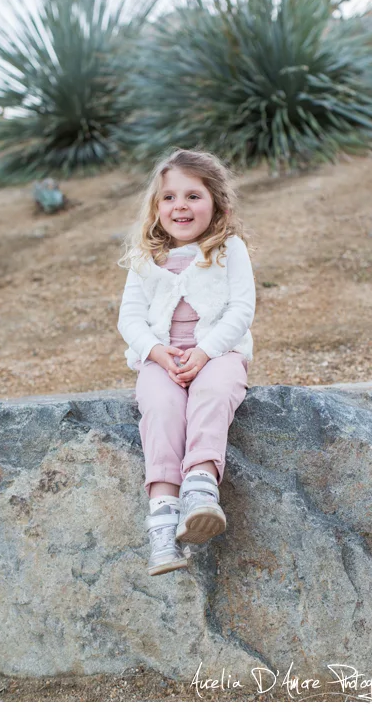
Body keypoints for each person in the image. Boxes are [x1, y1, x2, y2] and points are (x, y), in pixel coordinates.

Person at [115, 149, 255, 577]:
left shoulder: (228, 249)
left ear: (217, 203)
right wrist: (156, 352)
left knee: (212, 394)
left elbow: (241, 309)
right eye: (169, 197)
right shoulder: (145, 258)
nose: (180, 206)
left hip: (218, 354)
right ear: (156, 207)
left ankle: (200, 488)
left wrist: (205, 351)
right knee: (161, 409)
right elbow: (129, 318)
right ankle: (162, 521)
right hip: (162, 358)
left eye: (193, 196)